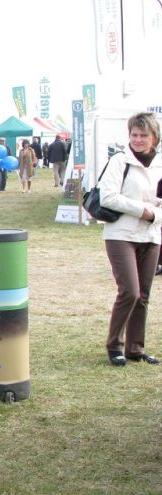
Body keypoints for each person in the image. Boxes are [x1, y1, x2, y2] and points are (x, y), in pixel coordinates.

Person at [99, 112, 162, 366]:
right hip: (120, 234)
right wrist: (144, 209)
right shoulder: (119, 161)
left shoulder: (159, 164)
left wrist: (154, 213)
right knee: (130, 292)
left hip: (151, 233)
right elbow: (108, 198)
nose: (137, 139)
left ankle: (136, 348)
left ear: (154, 138)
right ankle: (115, 345)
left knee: (144, 295)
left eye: (143, 135)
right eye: (134, 135)